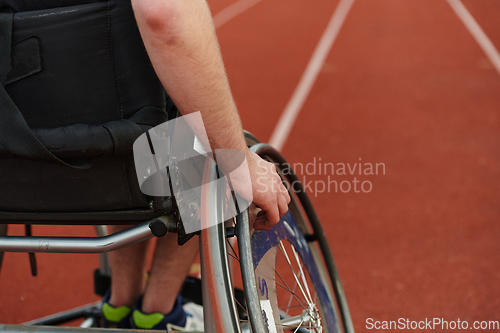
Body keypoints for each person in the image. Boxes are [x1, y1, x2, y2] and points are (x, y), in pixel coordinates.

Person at [101, 0, 291, 331]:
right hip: (137, 137)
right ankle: (158, 313)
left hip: (24, 153)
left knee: (112, 121)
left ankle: (120, 304)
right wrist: (239, 160)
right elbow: (162, 12)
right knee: (195, 138)